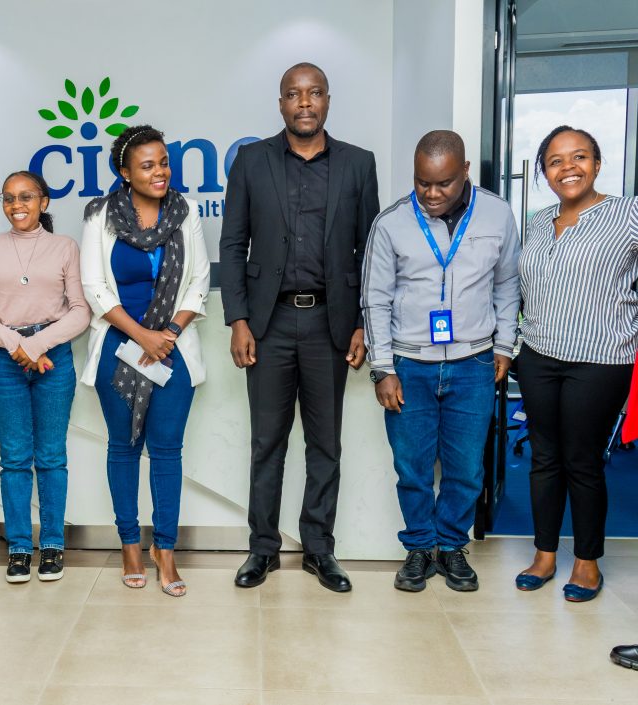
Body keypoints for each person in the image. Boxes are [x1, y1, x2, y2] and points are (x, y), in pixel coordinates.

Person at [219, 62, 379, 591]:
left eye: (314, 94)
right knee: (267, 442)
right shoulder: (250, 160)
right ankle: (262, 549)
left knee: (325, 443)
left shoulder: (358, 164)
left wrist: (362, 324)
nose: (304, 103)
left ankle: (319, 549)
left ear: (328, 100)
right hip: (268, 324)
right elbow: (232, 244)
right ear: (281, 103)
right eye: (294, 94)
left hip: (331, 324)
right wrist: (238, 319)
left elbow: (370, 255)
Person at [362, 130, 521, 592]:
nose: (431, 194)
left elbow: (508, 285)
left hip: (474, 362)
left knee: (466, 467)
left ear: (465, 172)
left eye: (444, 184)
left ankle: (451, 546)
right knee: (411, 466)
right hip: (409, 364)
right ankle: (418, 548)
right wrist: (383, 367)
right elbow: (375, 299)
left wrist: (505, 347)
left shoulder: (497, 214)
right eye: (422, 183)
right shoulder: (390, 223)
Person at [80, 124, 210, 597]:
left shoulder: (186, 211)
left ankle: (166, 551)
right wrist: (141, 337)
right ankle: (130, 545)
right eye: (147, 165)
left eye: (164, 163)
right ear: (125, 172)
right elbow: (94, 287)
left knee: (167, 451)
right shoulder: (100, 215)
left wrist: (168, 334)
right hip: (119, 347)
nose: (160, 173)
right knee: (123, 449)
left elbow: (198, 280)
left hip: (174, 350)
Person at [514, 125, 637, 602]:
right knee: (544, 459)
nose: (568, 168)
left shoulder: (627, 215)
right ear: (545, 172)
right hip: (539, 355)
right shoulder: (539, 221)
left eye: (579, 157)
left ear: (598, 163)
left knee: (581, 461)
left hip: (600, 359)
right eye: (556, 161)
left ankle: (586, 563)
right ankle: (545, 554)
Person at [0, 171, 89, 583]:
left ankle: (52, 544)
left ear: (44, 202)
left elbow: (80, 312)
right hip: (3, 363)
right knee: (14, 458)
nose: (17, 205)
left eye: (26, 197)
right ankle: (19, 547)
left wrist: (35, 347)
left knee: (52, 456)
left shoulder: (65, 247)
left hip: (53, 358)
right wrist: (15, 346)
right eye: (8, 198)